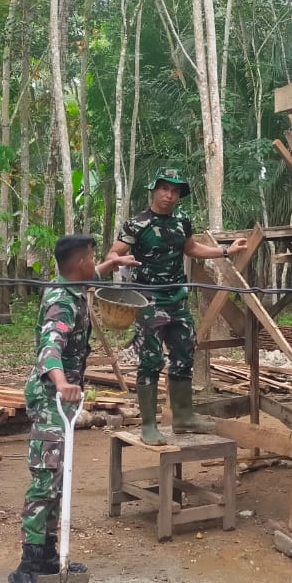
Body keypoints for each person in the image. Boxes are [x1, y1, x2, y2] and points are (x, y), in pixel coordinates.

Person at [9, 234, 137, 583]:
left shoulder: (72, 283)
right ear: (80, 263)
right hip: (51, 397)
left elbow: (90, 275)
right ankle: (28, 567)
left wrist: (111, 265)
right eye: (93, 258)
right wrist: (62, 382)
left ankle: (48, 556)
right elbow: (50, 345)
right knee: (45, 480)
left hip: (61, 401)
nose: (95, 263)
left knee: (58, 478)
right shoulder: (62, 301)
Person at [107, 167, 248, 445]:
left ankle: (183, 416)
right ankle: (149, 424)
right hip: (148, 300)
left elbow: (190, 248)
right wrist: (117, 260)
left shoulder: (182, 220)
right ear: (154, 190)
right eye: (164, 189)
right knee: (151, 360)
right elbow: (114, 251)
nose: (169, 195)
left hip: (177, 299)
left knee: (184, 353)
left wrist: (225, 250)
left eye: (174, 191)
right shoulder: (137, 224)